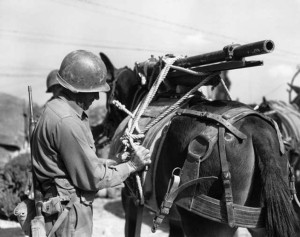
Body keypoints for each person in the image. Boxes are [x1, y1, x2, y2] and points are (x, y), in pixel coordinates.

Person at [31, 50, 151, 237]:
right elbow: (92, 177)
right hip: (68, 216)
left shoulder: (54, 109)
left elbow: (73, 163)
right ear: (77, 89)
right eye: (93, 91)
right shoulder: (67, 122)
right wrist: (132, 166)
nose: (96, 98)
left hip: (60, 209)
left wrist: (114, 162)